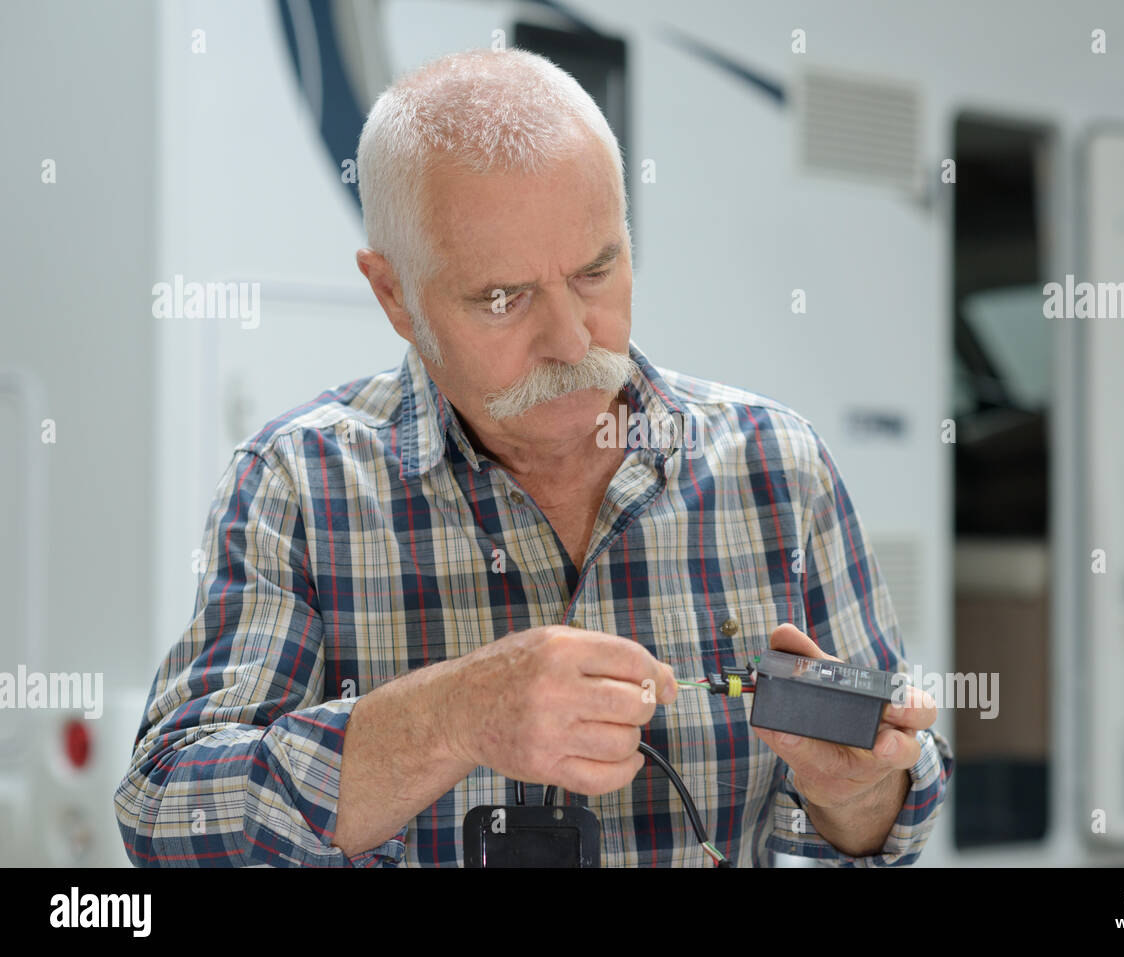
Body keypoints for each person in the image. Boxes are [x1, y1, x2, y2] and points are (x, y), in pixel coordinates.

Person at [115, 47, 954, 867]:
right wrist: (452, 717)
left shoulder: (777, 466)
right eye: (502, 298)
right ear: (394, 295)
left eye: (597, 270)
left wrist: (852, 791)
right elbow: (167, 814)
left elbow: (895, 815)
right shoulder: (299, 484)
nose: (572, 339)